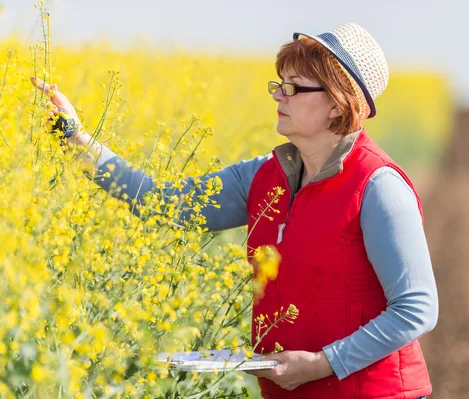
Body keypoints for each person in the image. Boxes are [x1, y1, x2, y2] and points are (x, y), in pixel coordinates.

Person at [32, 23, 438, 399]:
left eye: (294, 88)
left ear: (336, 104)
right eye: (279, 85)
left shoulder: (378, 186)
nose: (279, 95)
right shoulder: (262, 176)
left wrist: (322, 364)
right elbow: (166, 204)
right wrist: (75, 139)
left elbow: (417, 308)